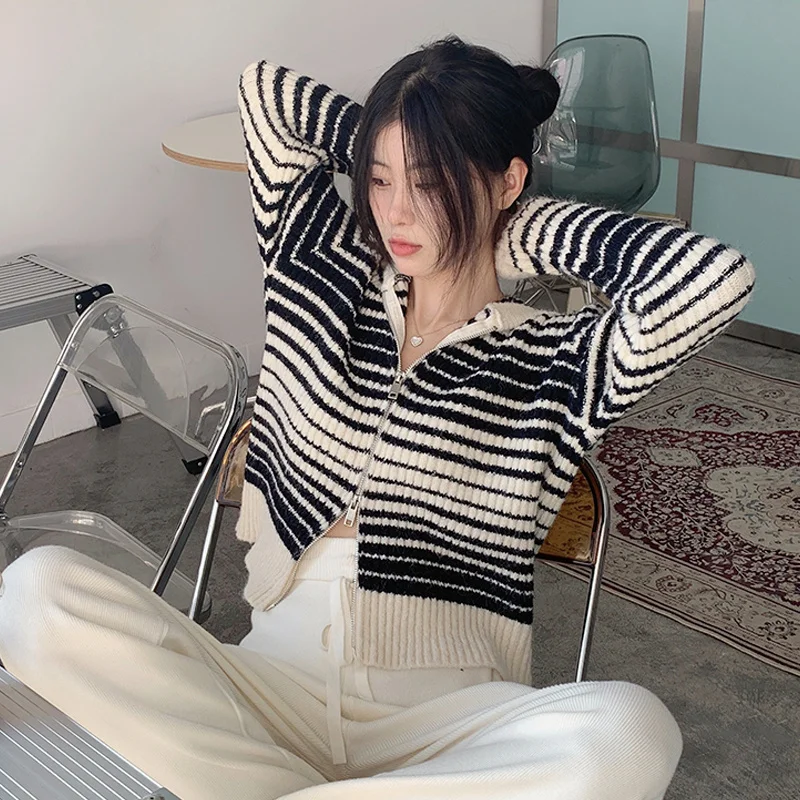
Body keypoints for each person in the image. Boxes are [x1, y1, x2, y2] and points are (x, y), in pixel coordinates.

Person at [0, 36, 754, 800]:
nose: (393, 210)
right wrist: (413, 150)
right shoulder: (320, 278)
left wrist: (504, 229)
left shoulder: (560, 360)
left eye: (429, 183)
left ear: (509, 182)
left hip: (447, 724)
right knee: (36, 592)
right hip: (269, 694)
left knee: (629, 732)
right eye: (379, 178)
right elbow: (266, 95)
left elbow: (712, 279)